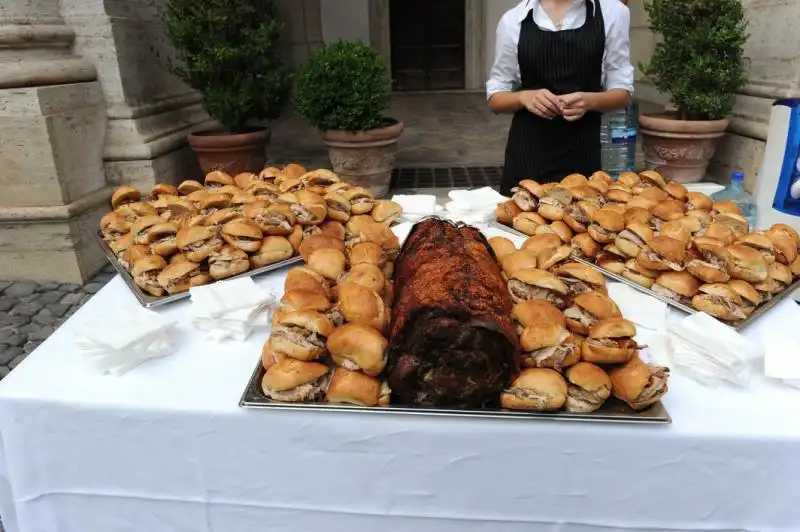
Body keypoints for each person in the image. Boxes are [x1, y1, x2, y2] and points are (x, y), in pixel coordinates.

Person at [487, 0, 634, 196]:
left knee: (581, 220)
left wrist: (590, 101)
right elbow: (496, 99)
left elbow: (622, 93)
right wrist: (523, 97)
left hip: (582, 153)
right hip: (528, 153)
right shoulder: (514, 20)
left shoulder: (613, 12)